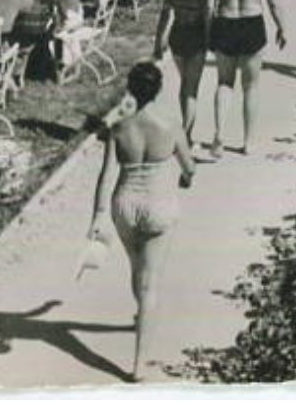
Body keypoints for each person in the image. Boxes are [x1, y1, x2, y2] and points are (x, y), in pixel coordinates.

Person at [88, 62, 196, 381]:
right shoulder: (170, 124)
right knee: (151, 283)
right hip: (159, 203)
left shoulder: (119, 128)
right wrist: (187, 179)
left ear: (130, 90)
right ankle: (138, 364)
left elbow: (106, 176)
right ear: (159, 89)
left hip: (125, 203)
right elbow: (189, 167)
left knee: (136, 268)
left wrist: (97, 214)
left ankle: (140, 315)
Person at [208, 0, 287, 157]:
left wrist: (206, 32)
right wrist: (282, 27)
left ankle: (219, 133)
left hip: (225, 21)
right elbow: (273, 3)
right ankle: (249, 142)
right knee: (251, 87)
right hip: (252, 24)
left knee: (224, 82)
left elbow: (208, 5)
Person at [154, 0, 213, 141]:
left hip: (178, 36)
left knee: (184, 85)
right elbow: (207, 16)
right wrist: (209, 39)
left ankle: (185, 131)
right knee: (191, 89)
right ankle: (185, 134)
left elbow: (165, 14)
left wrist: (159, 41)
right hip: (196, 37)